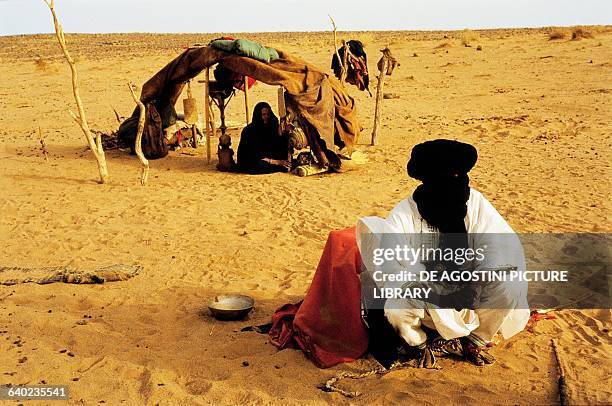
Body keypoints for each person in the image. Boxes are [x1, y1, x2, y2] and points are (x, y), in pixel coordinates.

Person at [357, 139, 530, 367]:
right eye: (446, 177)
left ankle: (474, 340)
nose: (453, 183)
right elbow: (394, 265)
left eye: (458, 176)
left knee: (509, 285)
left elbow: (497, 244)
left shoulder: (474, 203)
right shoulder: (404, 214)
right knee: (397, 306)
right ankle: (419, 344)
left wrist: (477, 276)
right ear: (427, 180)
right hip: (427, 295)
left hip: (470, 287)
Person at [237, 102, 291, 174]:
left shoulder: (272, 126)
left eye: (268, 114)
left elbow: (278, 144)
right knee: (259, 165)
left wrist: (281, 133)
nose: (266, 117)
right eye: (264, 114)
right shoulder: (249, 130)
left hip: (269, 158)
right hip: (253, 160)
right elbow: (253, 154)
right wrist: (276, 162)